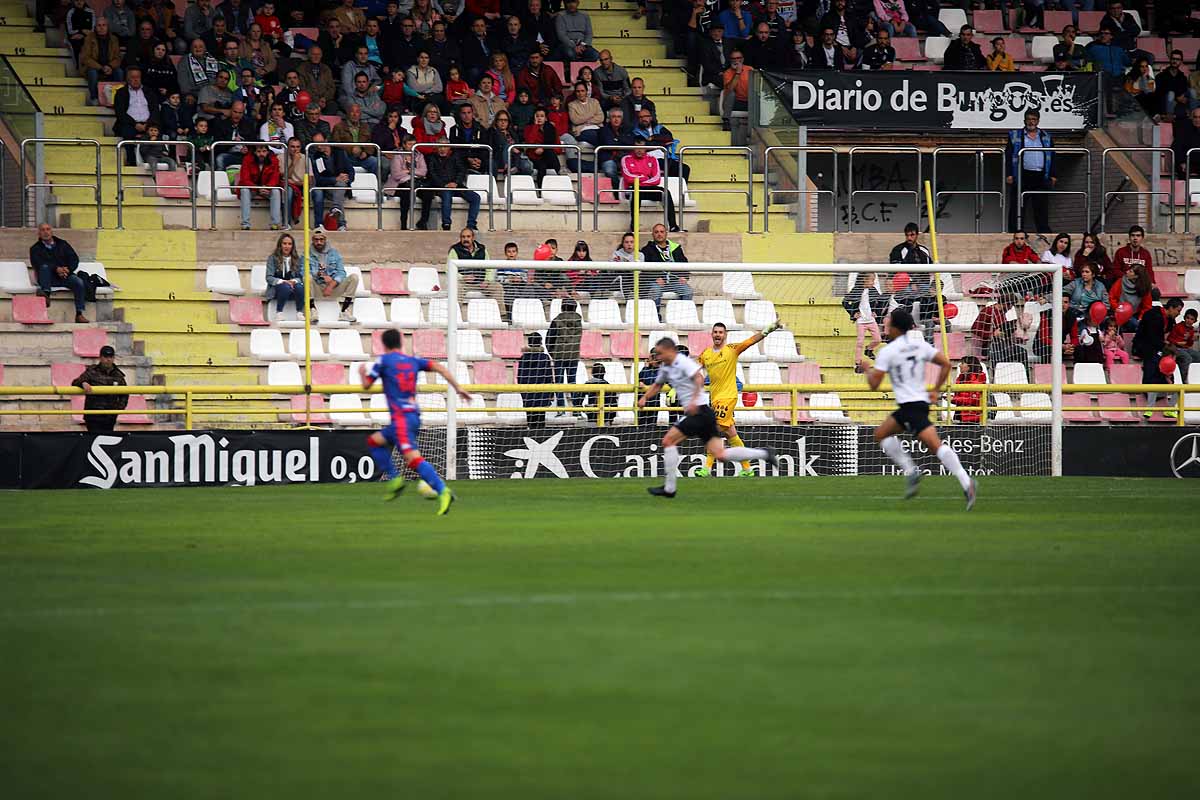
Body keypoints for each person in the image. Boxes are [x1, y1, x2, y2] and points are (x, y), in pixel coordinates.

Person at [639, 337, 779, 498]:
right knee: (720, 455)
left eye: (660, 353)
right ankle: (765, 454)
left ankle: (669, 489)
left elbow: (698, 378)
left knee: (668, 441)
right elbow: (657, 385)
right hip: (704, 414)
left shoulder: (682, 362)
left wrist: (692, 400)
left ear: (670, 351)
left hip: (698, 411)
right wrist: (644, 398)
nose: (658, 356)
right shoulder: (665, 368)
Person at [865, 309, 976, 507]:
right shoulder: (919, 345)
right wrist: (935, 390)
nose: (885, 327)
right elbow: (945, 364)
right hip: (918, 404)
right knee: (881, 433)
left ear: (895, 328)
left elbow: (874, 385)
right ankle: (912, 472)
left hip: (910, 406)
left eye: (887, 324)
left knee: (936, 447)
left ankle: (966, 482)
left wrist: (866, 369)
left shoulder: (887, 351)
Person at [360, 328, 470, 515]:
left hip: (401, 418)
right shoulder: (413, 361)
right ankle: (395, 480)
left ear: (384, 344)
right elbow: (440, 368)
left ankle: (443, 491)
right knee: (374, 441)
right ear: (401, 343)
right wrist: (458, 388)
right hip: (412, 416)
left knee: (413, 459)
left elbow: (367, 385)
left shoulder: (383, 361)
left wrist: (362, 372)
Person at [696, 319, 782, 477]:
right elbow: (694, 368)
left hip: (728, 398)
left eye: (720, 332)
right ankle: (748, 469)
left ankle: (706, 468)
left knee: (712, 430)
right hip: (715, 399)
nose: (717, 335)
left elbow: (750, 341)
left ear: (725, 335)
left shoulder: (732, 350)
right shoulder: (706, 354)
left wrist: (768, 329)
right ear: (711, 334)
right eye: (715, 332)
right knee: (731, 434)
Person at [1132, 298, 1184, 419]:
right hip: (1146, 348)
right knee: (1153, 374)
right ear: (1170, 308)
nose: (1179, 314)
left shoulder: (1170, 320)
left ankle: (1170, 408)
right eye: (1178, 310)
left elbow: (1166, 336)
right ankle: (1149, 408)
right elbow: (1151, 338)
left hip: (1159, 348)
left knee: (1178, 387)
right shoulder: (1153, 315)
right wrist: (1164, 347)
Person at [29, 223, 88, 323]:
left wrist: (67, 269)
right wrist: (56, 269)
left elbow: (74, 259)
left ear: (52, 232)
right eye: (43, 230)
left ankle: (79, 314)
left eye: (48, 229)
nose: (46, 232)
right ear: (39, 233)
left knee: (78, 282)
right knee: (44, 267)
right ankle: (46, 294)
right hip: (48, 278)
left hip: (64, 276)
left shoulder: (62, 244)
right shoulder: (35, 249)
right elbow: (37, 263)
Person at [1007, 110, 1055, 233]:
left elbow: (1053, 155)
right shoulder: (1015, 135)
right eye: (1028, 119)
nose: (1031, 121)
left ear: (1038, 121)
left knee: (1041, 205)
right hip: (1022, 174)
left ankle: (1043, 230)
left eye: (1034, 119)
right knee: (1018, 204)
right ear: (1024, 120)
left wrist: (1053, 175)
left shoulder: (1046, 136)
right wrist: (1009, 174)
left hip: (1040, 175)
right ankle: (1015, 231)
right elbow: (1008, 155)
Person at [419, 136, 481, 231]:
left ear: (449, 147)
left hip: (456, 185)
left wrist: (456, 183)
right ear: (436, 148)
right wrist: (444, 185)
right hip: (440, 187)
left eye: (445, 146)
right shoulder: (432, 158)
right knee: (447, 195)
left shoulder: (455, 156)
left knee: (475, 197)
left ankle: (471, 224)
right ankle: (446, 224)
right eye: (440, 147)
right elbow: (432, 174)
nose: (443, 149)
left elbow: (461, 171)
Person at [621, 139, 679, 233]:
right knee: (636, 192)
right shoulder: (626, 159)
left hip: (647, 188)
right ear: (633, 148)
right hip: (633, 189)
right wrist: (645, 178)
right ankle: (634, 226)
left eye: (642, 147)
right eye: (637, 147)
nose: (639, 150)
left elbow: (656, 179)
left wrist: (640, 179)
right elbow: (628, 178)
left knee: (665, 192)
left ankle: (673, 226)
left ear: (646, 148)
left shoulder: (652, 159)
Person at [71, 346, 129, 432]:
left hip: (110, 416)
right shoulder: (92, 371)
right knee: (93, 439)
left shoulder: (118, 375)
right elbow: (75, 382)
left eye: (111, 357)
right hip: (93, 415)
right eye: (105, 357)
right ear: (100, 357)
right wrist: (83, 383)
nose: (108, 359)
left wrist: (118, 409)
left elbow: (124, 394)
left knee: (108, 439)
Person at [308, 228, 359, 322]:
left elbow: (341, 272)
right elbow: (303, 272)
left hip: (334, 288)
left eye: (321, 239)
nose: (319, 242)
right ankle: (312, 310)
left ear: (325, 239)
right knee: (307, 278)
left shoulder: (334, 253)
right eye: (316, 240)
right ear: (312, 240)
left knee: (354, 277)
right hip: (317, 288)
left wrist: (331, 284)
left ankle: (344, 311)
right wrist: (318, 274)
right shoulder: (306, 255)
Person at [843, 271, 887, 372]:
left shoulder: (873, 290)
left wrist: (876, 312)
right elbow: (845, 302)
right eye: (872, 280)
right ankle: (858, 363)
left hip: (871, 320)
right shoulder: (856, 290)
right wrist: (853, 313)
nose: (873, 282)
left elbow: (881, 301)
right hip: (861, 321)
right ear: (864, 279)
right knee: (860, 342)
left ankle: (869, 349)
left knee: (878, 339)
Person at [545, 299, 583, 413]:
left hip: (559, 355)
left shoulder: (557, 321)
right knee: (572, 382)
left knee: (559, 382)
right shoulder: (579, 321)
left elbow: (549, 340)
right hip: (573, 355)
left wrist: (553, 352)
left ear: (562, 308)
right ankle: (576, 409)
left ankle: (561, 409)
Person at [308, 132, 352, 229]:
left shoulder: (340, 152)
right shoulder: (315, 157)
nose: (319, 146)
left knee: (341, 185)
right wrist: (334, 179)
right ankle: (339, 224)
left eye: (320, 143)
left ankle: (337, 211)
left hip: (341, 186)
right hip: (325, 186)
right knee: (319, 191)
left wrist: (346, 178)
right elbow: (318, 180)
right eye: (315, 144)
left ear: (326, 140)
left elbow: (351, 171)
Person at [640, 223, 690, 305]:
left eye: (661, 232)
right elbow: (644, 269)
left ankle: (681, 316)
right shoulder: (646, 250)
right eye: (656, 232)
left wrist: (684, 277)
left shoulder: (676, 248)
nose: (659, 234)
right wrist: (655, 278)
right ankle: (656, 316)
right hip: (656, 282)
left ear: (666, 234)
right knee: (655, 291)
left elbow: (685, 264)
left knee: (688, 291)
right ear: (652, 235)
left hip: (675, 281)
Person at [236, 144, 283, 230]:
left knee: (276, 191)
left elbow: (275, 178)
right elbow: (245, 179)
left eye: (264, 151)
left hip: (266, 188)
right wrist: (257, 188)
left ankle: (275, 224)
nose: (261, 154)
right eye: (258, 151)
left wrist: (267, 187)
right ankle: (245, 224)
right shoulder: (247, 159)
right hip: (252, 188)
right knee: (244, 190)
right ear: (254, 152)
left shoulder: (274, 160)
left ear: (268, 152)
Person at [81, 17, 126, 101]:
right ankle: (94, 98)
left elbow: (117, 58)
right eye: (99, 25)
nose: (101, 28)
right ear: (95, 27)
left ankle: (119, 98)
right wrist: (101, 68)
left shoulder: (114, 39)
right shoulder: (89, 38)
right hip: (94, 67)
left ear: (108, 27)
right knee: (92, 72)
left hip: (109, 68)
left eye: (104, 25)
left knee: (119, 71)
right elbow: (85, 58)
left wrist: (110, 66)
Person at [113, 68, 158, 150]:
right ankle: (131, 161)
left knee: (158, 132)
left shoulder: (149, 92)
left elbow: (155, 110)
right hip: (129, 124)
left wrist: (148, 124)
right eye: (133, 77)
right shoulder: (121, 92)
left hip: (148, 123)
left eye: (138, 77)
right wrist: (135, 124)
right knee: (128, 133)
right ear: (127, 79)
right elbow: (120, 113)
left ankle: (153, 159)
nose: (136, 79)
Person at [517, 332, 555, 427]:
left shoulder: (523, 358)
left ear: (529, 343)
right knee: (541, 421)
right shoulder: (544, 358)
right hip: (541, 395)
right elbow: (548, 377)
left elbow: (520, 377)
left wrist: (523, 393)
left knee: (530, 421)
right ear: (540, 343)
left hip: (528, 394)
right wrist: (551, 393)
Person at [263, 232, 306, 316]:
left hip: (293, 287)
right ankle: (279, 312)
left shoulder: (298, 259)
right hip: (277, 289)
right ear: (280, 245)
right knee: (285, 287)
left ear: (292, 246)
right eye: (284, 243)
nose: (287, 246)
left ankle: (300, 312)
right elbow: (269, 277)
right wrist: (283, 281)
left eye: (289, 244)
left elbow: (301, 276)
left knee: (300, 287)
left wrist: (293, 281)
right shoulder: (272, 258)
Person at [332, 103, 379, 174]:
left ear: (360, 114)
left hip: (361, 157)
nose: (354, 114)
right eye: (352, 112)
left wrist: (366, 153)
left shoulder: (365, 127)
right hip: (346, 157)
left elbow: (371, 143)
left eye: (357, 112)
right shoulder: (339, 127)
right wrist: (351, 149)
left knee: (374, 161)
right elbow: (335, 144)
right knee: (340, 158)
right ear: (347, 113)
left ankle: (375, 183)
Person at [1108, 261, 1153, 331]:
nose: (1127, 272)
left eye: (1130, 271)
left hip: (1134, 314)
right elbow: (1112, 297)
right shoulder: (1120, 282)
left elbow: (1147, 306)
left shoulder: (1144, 287)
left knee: (1136, 325)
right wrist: (1117, 308)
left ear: (1136, 276)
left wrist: (1140, 318)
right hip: (1118, 311)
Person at [1063, 262, 1107, 333]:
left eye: (1087, 272)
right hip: (1075, 313)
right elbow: (1061, 291)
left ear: (1093, 274)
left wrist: (1099, 315)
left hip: (1093, 317)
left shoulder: (1100, 286)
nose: (1084, 274)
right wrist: (1046, 298)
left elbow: (1106, 304)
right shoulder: (1076, 283)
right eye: (1083, 272)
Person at [1154, 50, 1192, 121]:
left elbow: (1183, 89)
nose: (1175, 61)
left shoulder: (1182, 77)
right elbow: (1160, 91)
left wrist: (1182, 96)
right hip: (1165, 102)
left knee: (1192, 91)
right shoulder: (1161, 76)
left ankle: (1194, 115)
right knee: (1171, 93)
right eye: (1173, 59)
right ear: (1170, 60)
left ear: (1181, 61)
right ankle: (1169, 116)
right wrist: (1177, 96)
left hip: (1178, 102)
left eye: (1177, 59)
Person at [951, 355, 986, 424]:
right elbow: (960, 398)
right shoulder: (960, 379)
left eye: (962, 363)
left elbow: (974, 400)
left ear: (970, 366)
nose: (959, 366)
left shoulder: (978, 380)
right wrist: (952, 398)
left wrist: (954, 399)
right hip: (960, 415)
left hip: (974, 418)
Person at [721, 50, 753, 118]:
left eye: (738, 58)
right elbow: (730, 89)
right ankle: (726, 121)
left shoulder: (750, 69)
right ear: (730, 60)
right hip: (735, 103)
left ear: (742, 59)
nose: (736, 60)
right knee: (731, 93)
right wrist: (738, 72)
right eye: (733, 58)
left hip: (749, 102)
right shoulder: (727, 73)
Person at [1169, 308, 1200, 377]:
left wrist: (1190, 339)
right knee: (1187, 358)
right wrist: (1178, 343)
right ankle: (1183, 377)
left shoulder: (1191, 330)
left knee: (1198, 356)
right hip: (1175, 348)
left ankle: (1194, 375)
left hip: (1185, 349)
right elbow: (1170, 339)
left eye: (1192, 319)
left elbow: (1189, 344)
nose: (1189, 320)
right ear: (1184, 318)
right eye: (1187, 318)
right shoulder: (1177, 326)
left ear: (1195, 321)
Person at [1172, 108, 1200, 179]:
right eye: (1195, 117)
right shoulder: (1184, 129)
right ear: (1191, 118)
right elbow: (1176, 147)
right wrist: (1181, 162)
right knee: (1183, 170)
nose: (1197, 120)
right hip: (1187, 162)